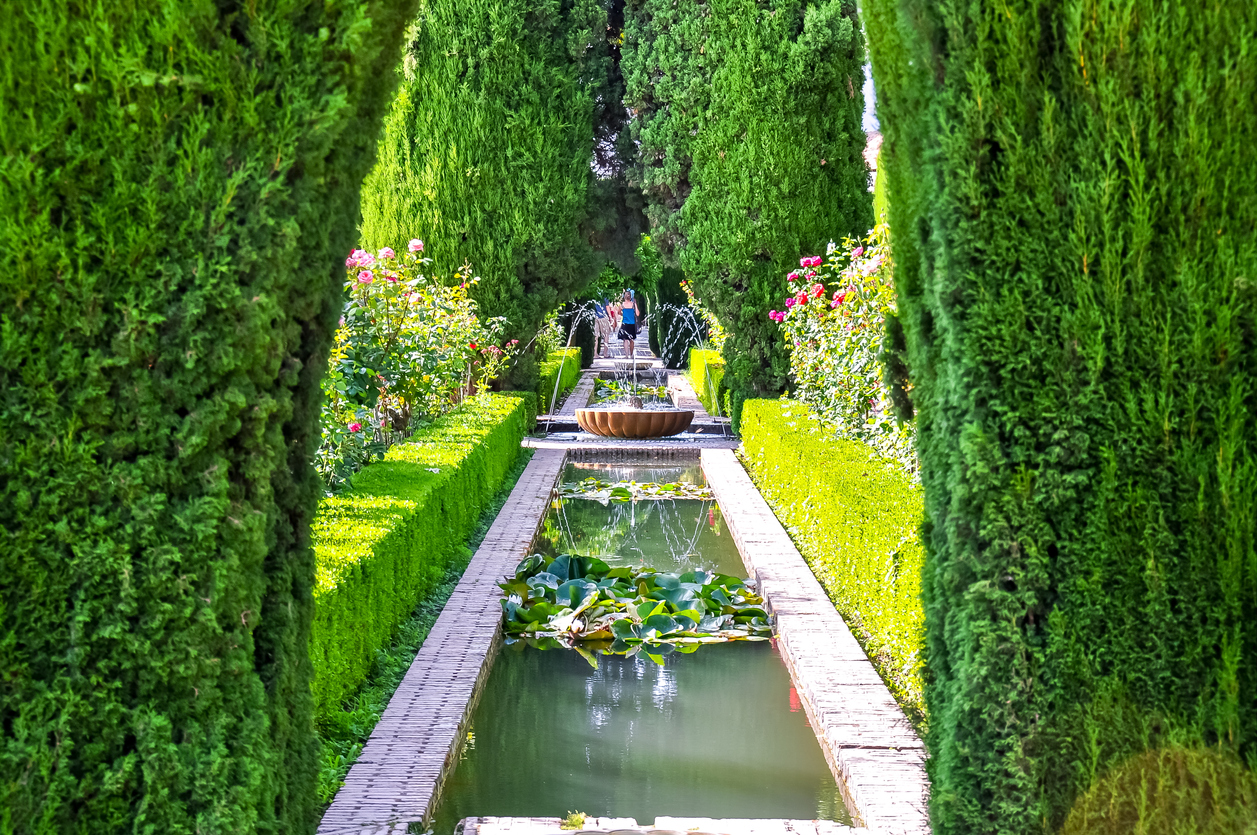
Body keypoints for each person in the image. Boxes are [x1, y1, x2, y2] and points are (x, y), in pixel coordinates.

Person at [617, 288, 641, 360]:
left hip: (625, 323)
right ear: (630, 297)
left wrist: (623, 314)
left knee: (625, 340)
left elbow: (619, 313)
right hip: (632, 324)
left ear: (624, 297)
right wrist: (635, 304)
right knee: (632, 340)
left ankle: (626, 355)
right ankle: (631, 354)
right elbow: (637, 313)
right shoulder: (633, 304)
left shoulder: (622, 305)